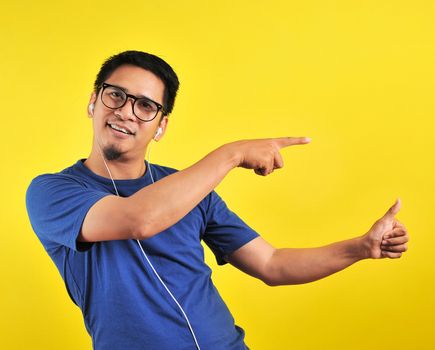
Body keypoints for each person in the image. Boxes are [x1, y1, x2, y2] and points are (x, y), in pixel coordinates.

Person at [26, 50, 409, 350]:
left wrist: (360, 247)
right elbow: (137, 219)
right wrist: (232, 153)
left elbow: (272, 264)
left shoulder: (189, 187)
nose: (126, 111)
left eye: (145, 106)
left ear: (161, 127)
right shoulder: (52, 192)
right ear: (94, 102)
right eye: (116, 96)